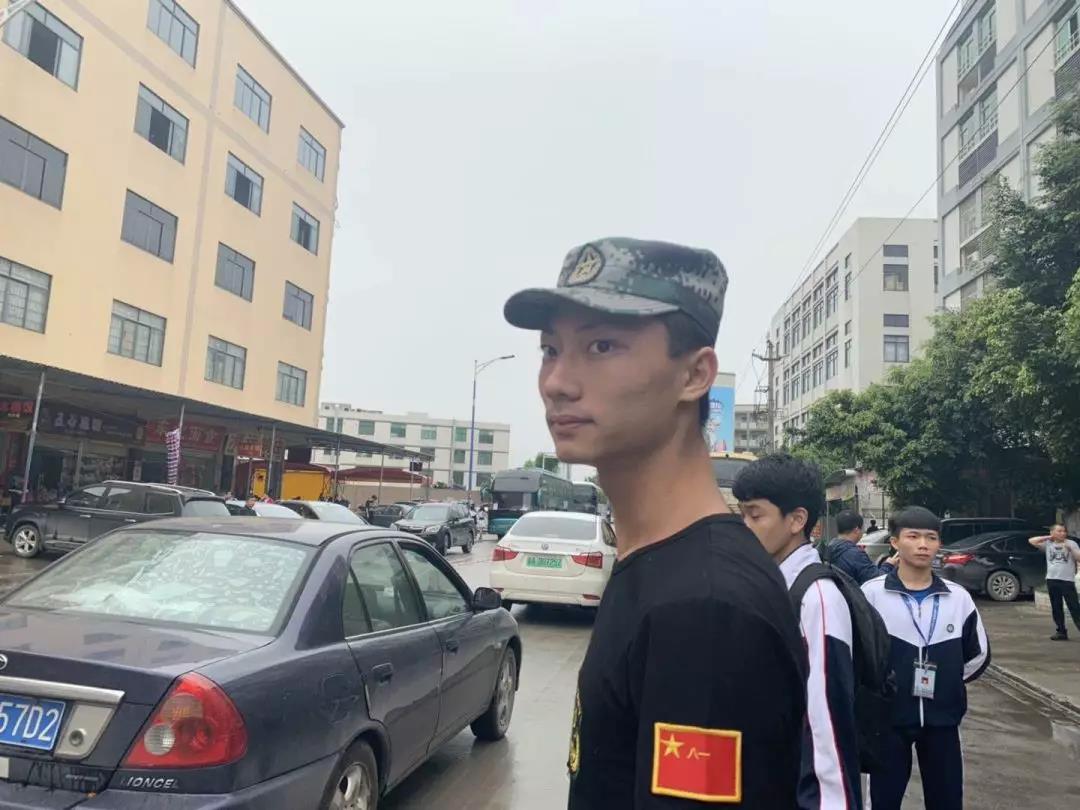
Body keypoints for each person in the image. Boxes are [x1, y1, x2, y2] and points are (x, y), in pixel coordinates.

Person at [504, 237, 808, 808]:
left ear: (695, 374)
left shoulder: (707, 606)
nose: (557, 382)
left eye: (601, 346)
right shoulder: (652, 559)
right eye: (550, 350)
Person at [733, 454, 861, 809]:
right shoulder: (770, 584)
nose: (745, 526)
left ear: (796, 520)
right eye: (742, 515)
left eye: (755, 515)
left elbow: (828, 724)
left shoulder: (818, 599)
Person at [861, 507, 990, 810]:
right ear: (895, 542)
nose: (923, 545)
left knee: (946, 800)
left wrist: (947, 683)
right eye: (913, 536)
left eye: (931, 538)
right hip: (888, 722)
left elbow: (978, 654)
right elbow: (858, 655)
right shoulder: (871, 594)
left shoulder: (958, 598)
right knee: (883, 800)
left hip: (942, 721)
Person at [1029, 525, 1080, 640]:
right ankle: (1061, 631)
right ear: (1052, 532)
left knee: (1074, 607)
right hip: (1052, 579)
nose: (1063, 533)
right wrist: (1049, 537)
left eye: (1064, 531)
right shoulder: (1048, 544)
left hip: (1067, 580)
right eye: (1059, 531)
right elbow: (1031, 541)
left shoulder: (1071, 543)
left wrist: (1071, 549)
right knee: (1056, 607)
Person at [822, 509, 897, 584]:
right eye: (862, 528)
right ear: (857, 530)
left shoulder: (829, 547)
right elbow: (875, 580)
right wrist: (888, 565)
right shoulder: (856, 554)